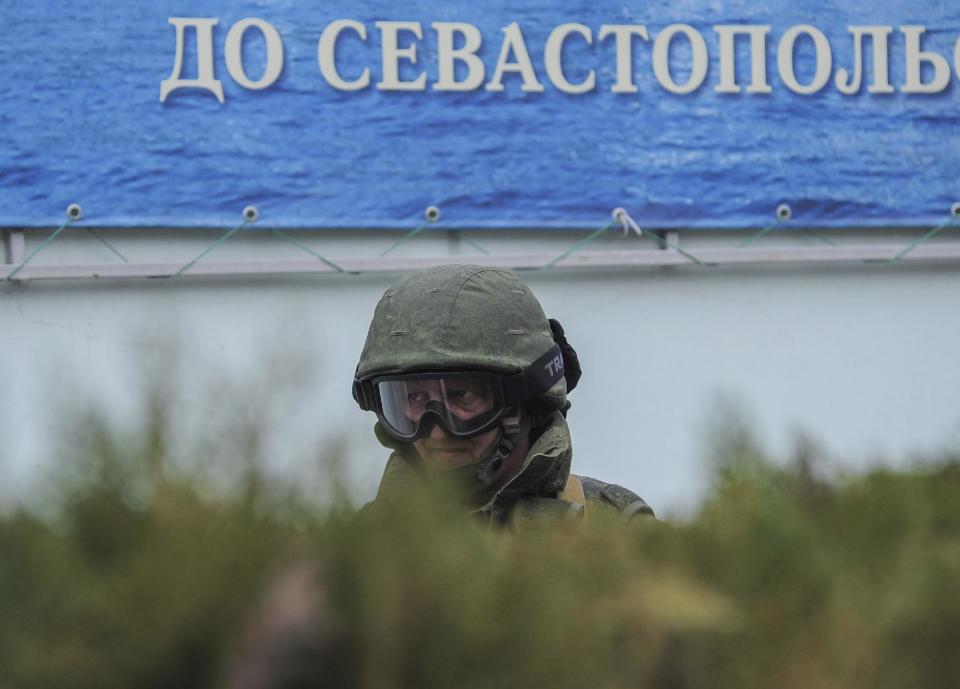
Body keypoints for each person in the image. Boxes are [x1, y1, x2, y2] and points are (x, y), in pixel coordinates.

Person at [353, 264, 653, 526]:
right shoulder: (349, 553)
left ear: (525, 403)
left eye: (463, 395)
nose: (436, 432)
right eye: (412, 399)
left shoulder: (615, 535)